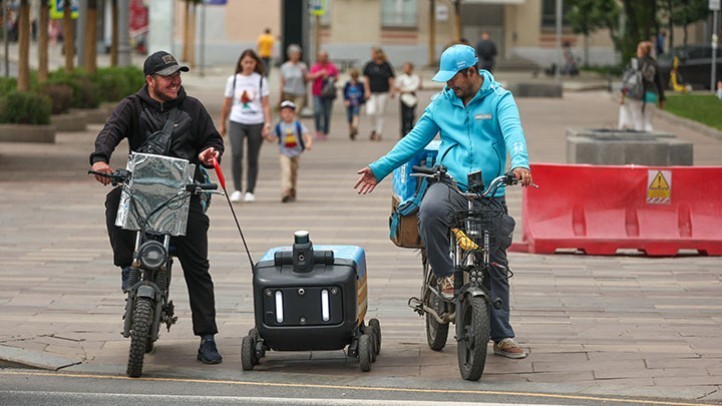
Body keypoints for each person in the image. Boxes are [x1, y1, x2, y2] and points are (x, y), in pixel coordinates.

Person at [354, 45, 533, 359]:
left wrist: (520, 162)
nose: (449, 84)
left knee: (495, 264)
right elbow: (413, 140)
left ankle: (502, 335)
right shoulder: (441, 104)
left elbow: (513, 131)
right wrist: (379, 168)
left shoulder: (500, 99)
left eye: (454, 78)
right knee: (431, 210)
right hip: (449, 182)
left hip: (489, 191)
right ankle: (445, 274)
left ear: (471, 72)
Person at [89, 50, 224, 365]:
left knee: (198, 266)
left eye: (178, 75)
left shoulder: (193, 109)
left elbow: (213, 141)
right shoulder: (131, 107)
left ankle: (207, 337)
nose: (176, 80)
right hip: (141, 191)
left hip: (183, 193)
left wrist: (209, 154)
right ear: (150, 80)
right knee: (113, 200)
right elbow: (109, 132)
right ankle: (127, 266)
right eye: (168, 76)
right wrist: (100, 159)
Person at [219, 49, 271, 203]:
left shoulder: (261, 80)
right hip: (237, 120)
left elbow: (266, 104)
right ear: (241, 63)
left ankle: (250, 190)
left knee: (252, 157)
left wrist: (268, 123)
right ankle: (236, 189)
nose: (248, 65)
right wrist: (222, 123)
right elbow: (227, 103)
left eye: (251, 62)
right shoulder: (233, 80)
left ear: (256, 64)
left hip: (256, 121)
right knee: (236, 154)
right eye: (246, 62)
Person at [265, 100, 313, 203]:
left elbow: (307, 135)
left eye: (289, 112)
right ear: (281, 114)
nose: (287, 115)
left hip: (296, 153)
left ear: (294, 113)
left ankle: (292, 190)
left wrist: (308, 143)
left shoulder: (298, 125)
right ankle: (285, 191)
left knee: (293, 174)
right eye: (285, 112)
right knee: (286, 171)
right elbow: (272, 138)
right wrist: (266, 135)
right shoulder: (279, 126)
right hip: (284, 153)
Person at [619, 41, 665, 132]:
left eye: (638, 49)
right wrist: (661, 98)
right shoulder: (655, 64)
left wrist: (622, 95)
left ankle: (641, 144)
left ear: (640, 50)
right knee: (648, 122)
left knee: (638, 121)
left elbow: (629, 81)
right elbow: (659, 82)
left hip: (636, 95)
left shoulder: (635, 63)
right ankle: (651, 143)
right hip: (651, 95)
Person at [363, 47, 395, 141]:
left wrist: (392, 90)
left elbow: (391, 78)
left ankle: (379, 132)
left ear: (378, 54)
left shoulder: (386, 65)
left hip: (383, 92)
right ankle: (373, 128)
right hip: (372, 92)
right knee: (370, 111)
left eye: (373, 53)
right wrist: (367, 90)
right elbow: (366, 79)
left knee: (380, 113)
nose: (372, 55)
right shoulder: (369, 65)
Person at [307, 50, 339, 141]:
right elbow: (309, 77)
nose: (322, 58)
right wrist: (319, 74)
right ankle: (318, 130)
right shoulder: (315, 67)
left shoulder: (332, 67)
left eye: (324, 56)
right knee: (317, 111)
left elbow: (336, 77)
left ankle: (325, 131)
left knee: (326, 113)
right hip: (317, 92)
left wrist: (329, 77)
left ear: (327, 57)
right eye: (320, 56)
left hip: (328, 94)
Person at [279, 44, 308, 114]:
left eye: (297, 54)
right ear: (289, 55)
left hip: (300, 93)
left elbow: (306, 81)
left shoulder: (303, 66)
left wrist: (304, 74)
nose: (295, 56)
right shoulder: (285, 67)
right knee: (287, 113)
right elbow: (282, 82)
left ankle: (295, 124)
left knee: (296, 112)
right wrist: (281, 96)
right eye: (293, 54)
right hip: (288, 93)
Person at [395, 62, 421, 138]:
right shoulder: (401, 78)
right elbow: (397, 87)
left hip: (412, 96)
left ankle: (411, 131)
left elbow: (416, 86)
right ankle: (403, 133)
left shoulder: (415, 77)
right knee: (404, 116)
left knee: (411, 115)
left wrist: (407, 89)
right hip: (404, 97)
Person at [343, 68, 365, 140]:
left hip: (357, 102)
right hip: (349, 102)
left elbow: (362, 93)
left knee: (356, 114)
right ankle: (351, 131)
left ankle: (355, 126)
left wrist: (361, 101)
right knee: (349, 117)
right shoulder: (348, 84)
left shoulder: (360, 84)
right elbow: (345, 93)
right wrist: (346, 100)